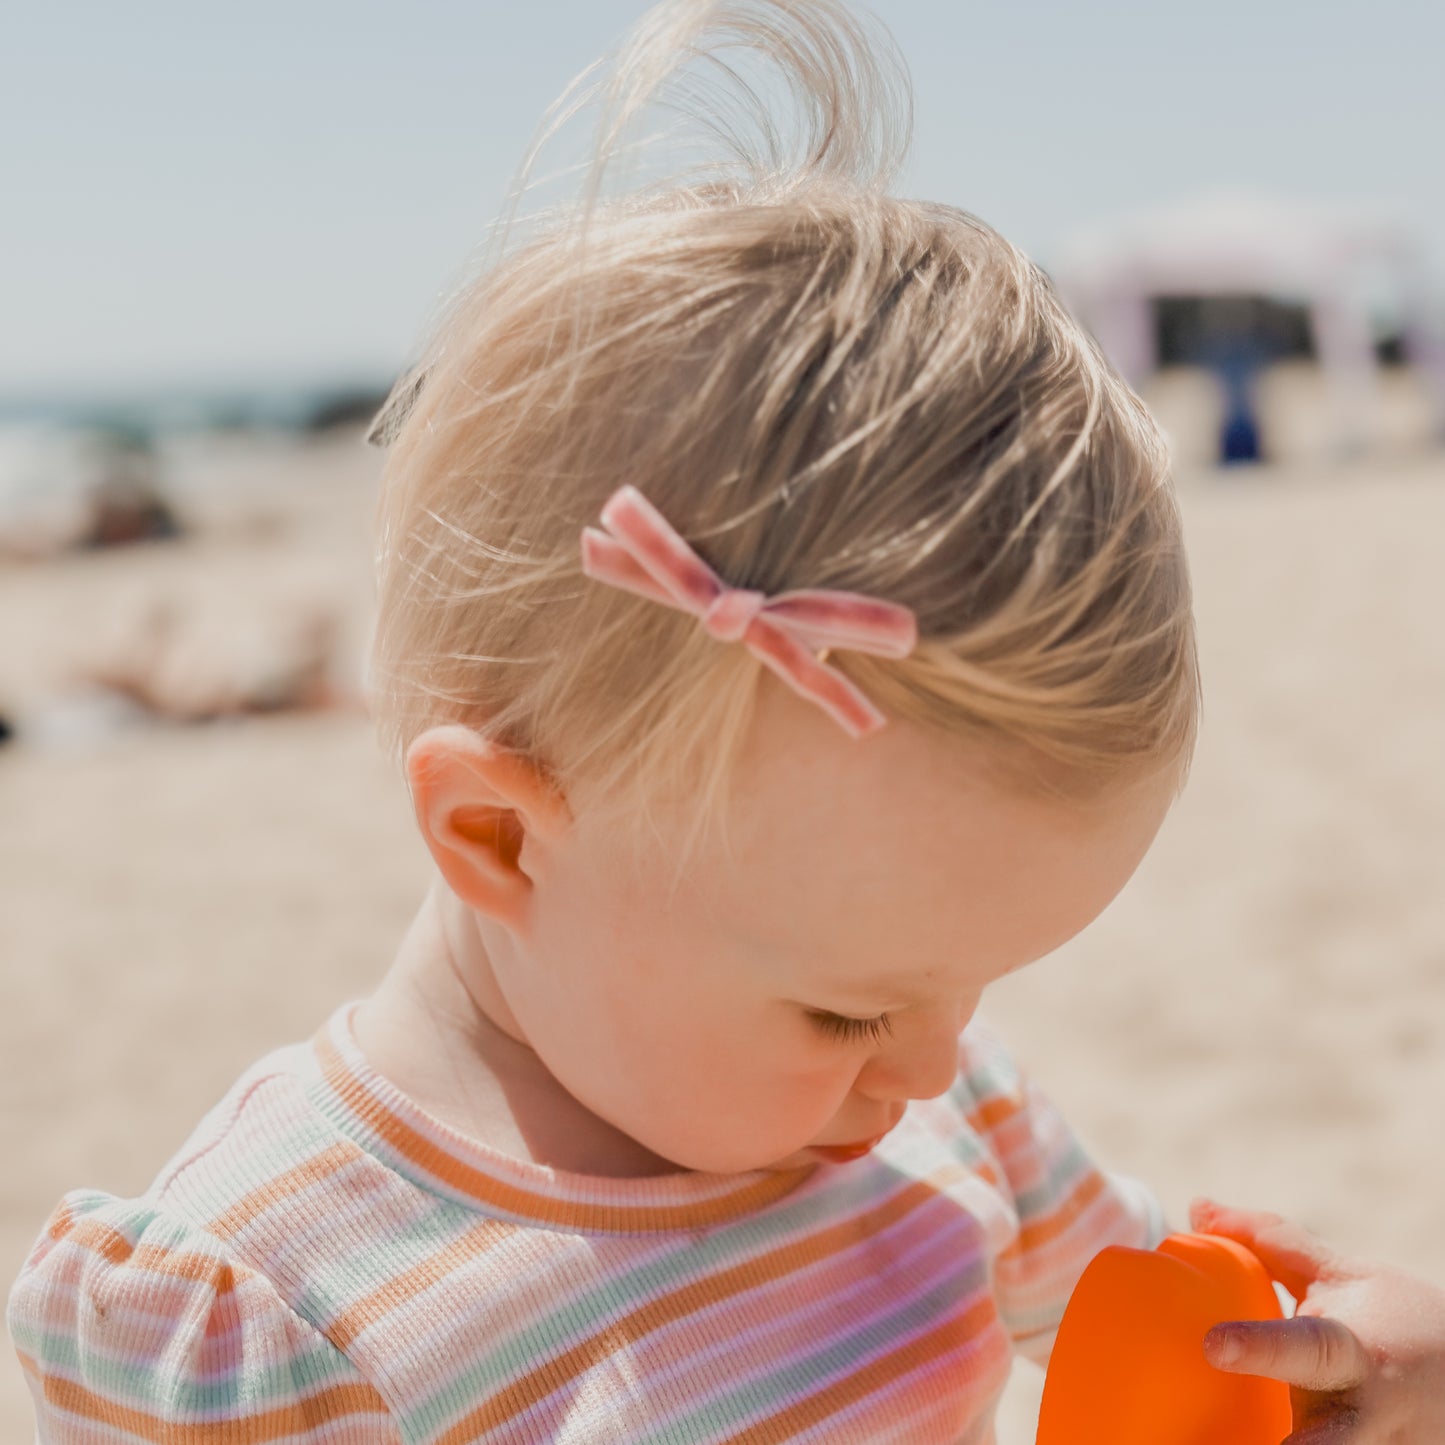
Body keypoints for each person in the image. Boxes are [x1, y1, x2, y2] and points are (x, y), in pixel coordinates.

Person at [9, 3, 1443, 1441]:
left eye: (978, 984)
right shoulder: (267, 1318)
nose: (936, 1061)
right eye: (849, 1007)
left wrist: (1354, 1376)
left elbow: (1167, 1375)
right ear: (500, 833)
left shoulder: (945, 1117)